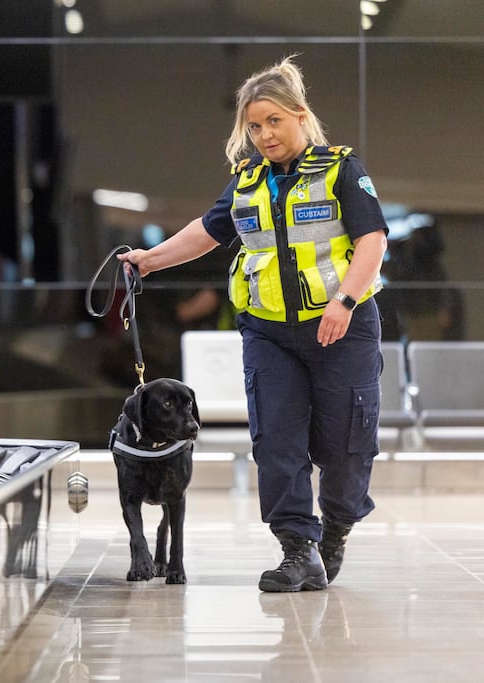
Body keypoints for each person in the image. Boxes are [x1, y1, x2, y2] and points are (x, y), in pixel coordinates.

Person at [118, 56, 389, 593]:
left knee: (343, 445)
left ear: (300, 116)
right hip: (269, 332)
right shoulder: (247, 182)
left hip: (342, 327)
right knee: (276, 442)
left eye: (273, 122)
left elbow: (373, 240)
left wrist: (346, 301)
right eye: (254, 126)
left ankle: (333, 530)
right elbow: (207, 231)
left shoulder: (342, 170)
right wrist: (148, 260)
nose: (263, 135)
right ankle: (296, 548)